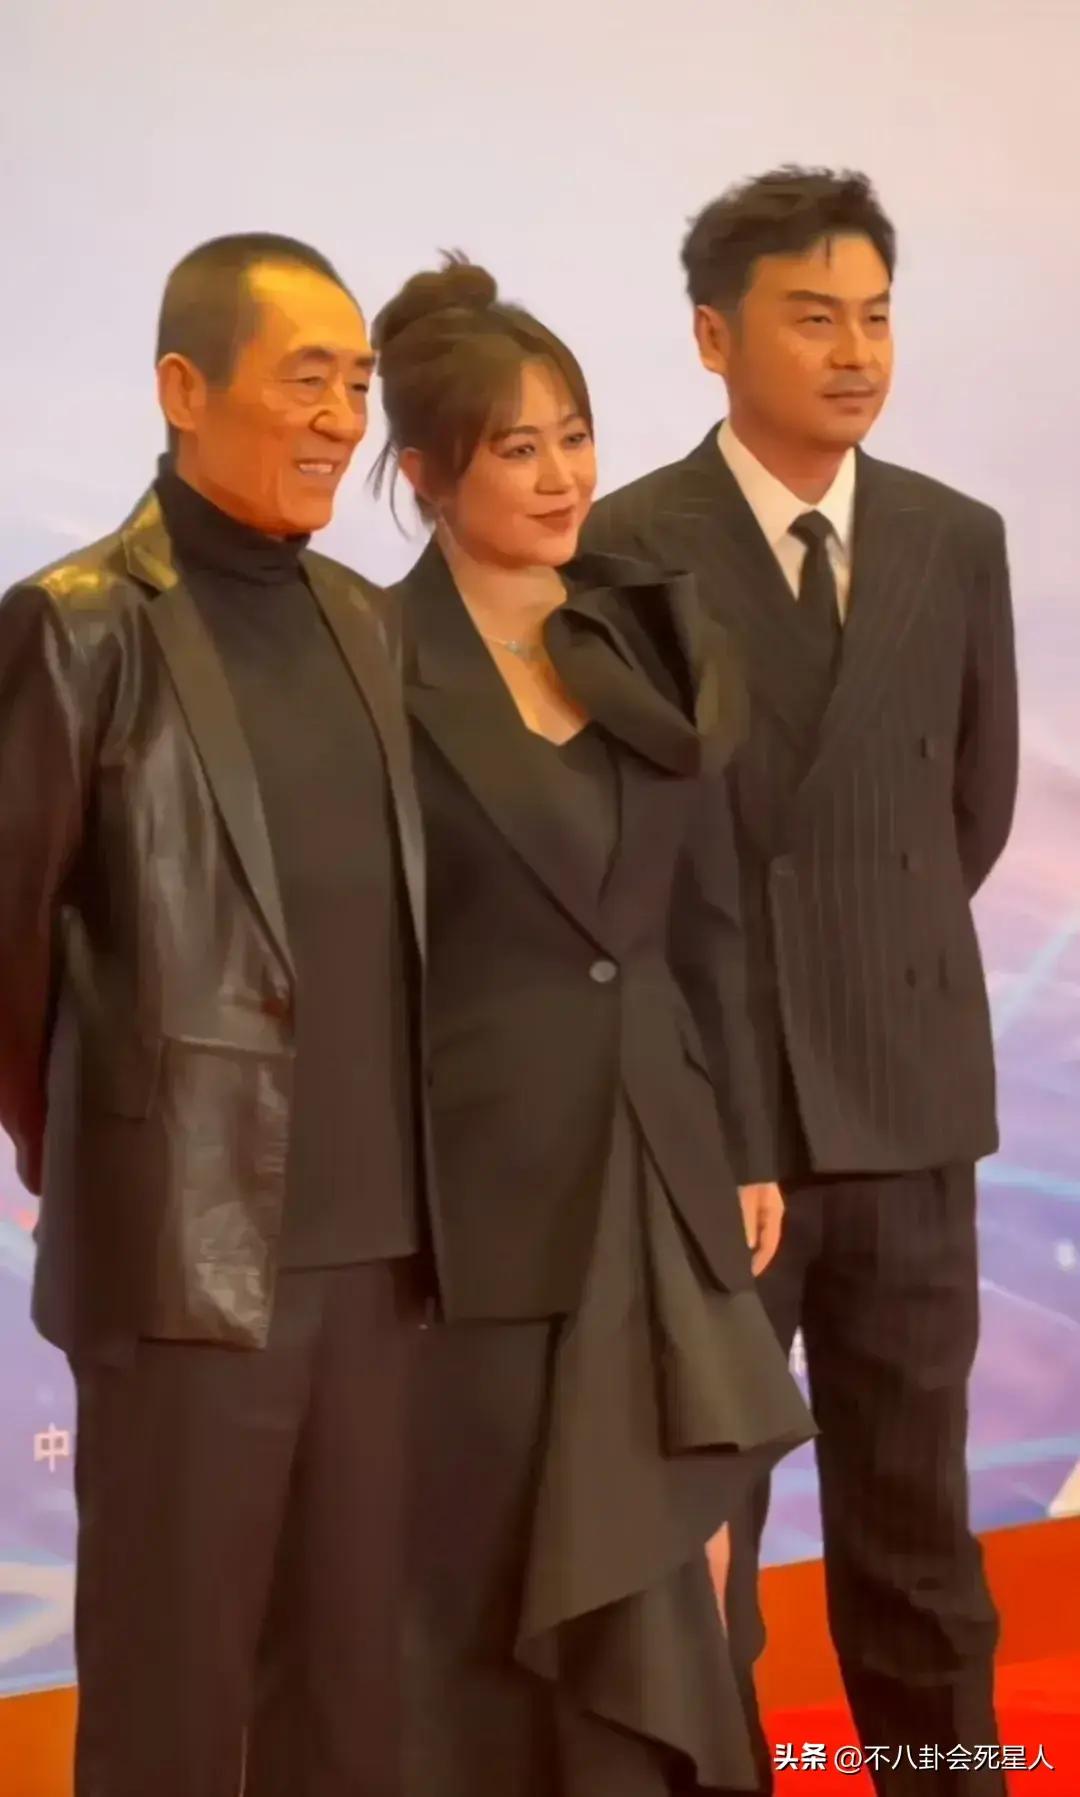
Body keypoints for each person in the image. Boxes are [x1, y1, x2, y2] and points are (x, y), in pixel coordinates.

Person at [584, 168, 1019, 1793]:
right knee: (708, 1539)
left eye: (876, 318)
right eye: (813, 318)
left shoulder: (954, 539)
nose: (855, 353)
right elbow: (632, 849)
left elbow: (967, 810)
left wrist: (860, 957)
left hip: (909, 1102)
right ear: (714, 337)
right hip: (721, 1119)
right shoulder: (631, 546)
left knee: (918, 1528)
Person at [372, 256, 813, 1797]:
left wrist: (742, 1140)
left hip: (667, 1171)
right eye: (518, 447)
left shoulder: (648, 643)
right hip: (474, 1188)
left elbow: (707, 925)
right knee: (497, 1579)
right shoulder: (370, 662)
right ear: (425, 476)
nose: (564, 476)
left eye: (575, 434)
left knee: (693, 1566)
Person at [0, 232, 428, 1797]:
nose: (340, 419)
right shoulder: (78, 624)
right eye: (305, 379)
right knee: (170, 1709)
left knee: (354, 1703)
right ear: (185, 388)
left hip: (384, 1266)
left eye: (357, 385)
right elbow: (12, 948)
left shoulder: (369, 619)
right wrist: (98, 1148)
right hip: (187, 1264)